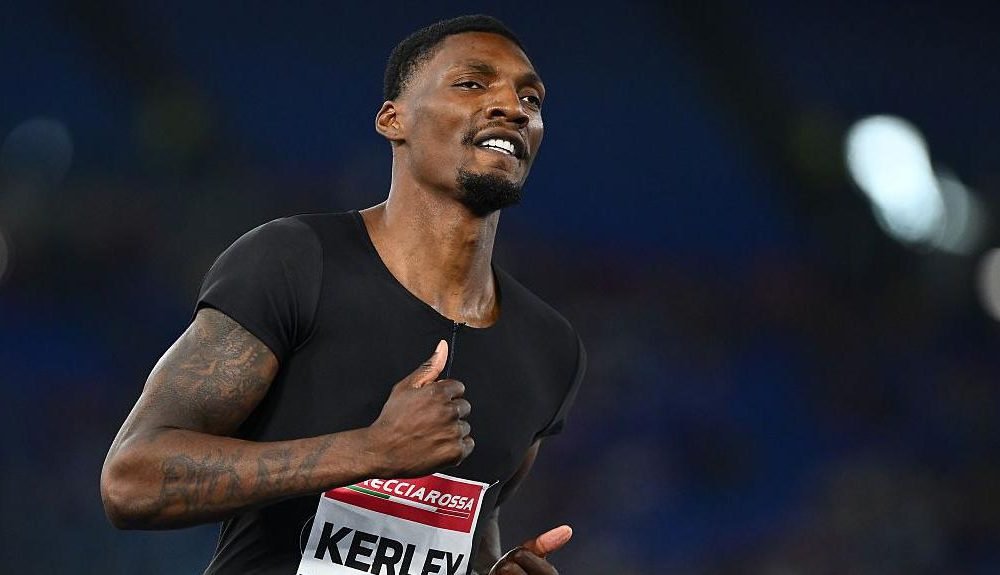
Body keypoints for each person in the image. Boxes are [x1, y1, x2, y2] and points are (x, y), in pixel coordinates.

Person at [101, 14, 585, 575]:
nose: (513, 107)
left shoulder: (550, 349)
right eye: (472, 83)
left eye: (530, 98)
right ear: (393, 120)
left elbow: (470, 522)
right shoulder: (296, 262)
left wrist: (491, 570)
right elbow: (132, 481)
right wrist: (372, 451)